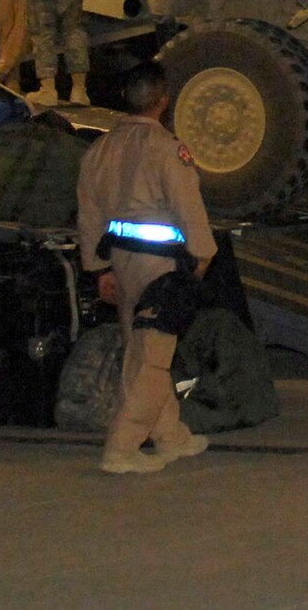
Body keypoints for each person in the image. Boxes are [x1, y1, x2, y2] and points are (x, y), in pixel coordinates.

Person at [76, 60, 218, 474]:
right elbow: (187, 205)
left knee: (138, 353)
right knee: (153, 357)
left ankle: (171, 437)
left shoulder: (99, 149)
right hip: (161, 266)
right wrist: (203, 255)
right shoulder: (166, 149)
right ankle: (122, 447)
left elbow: (88, 214)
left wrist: (97, 269)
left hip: (120, 263)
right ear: (163, 100)